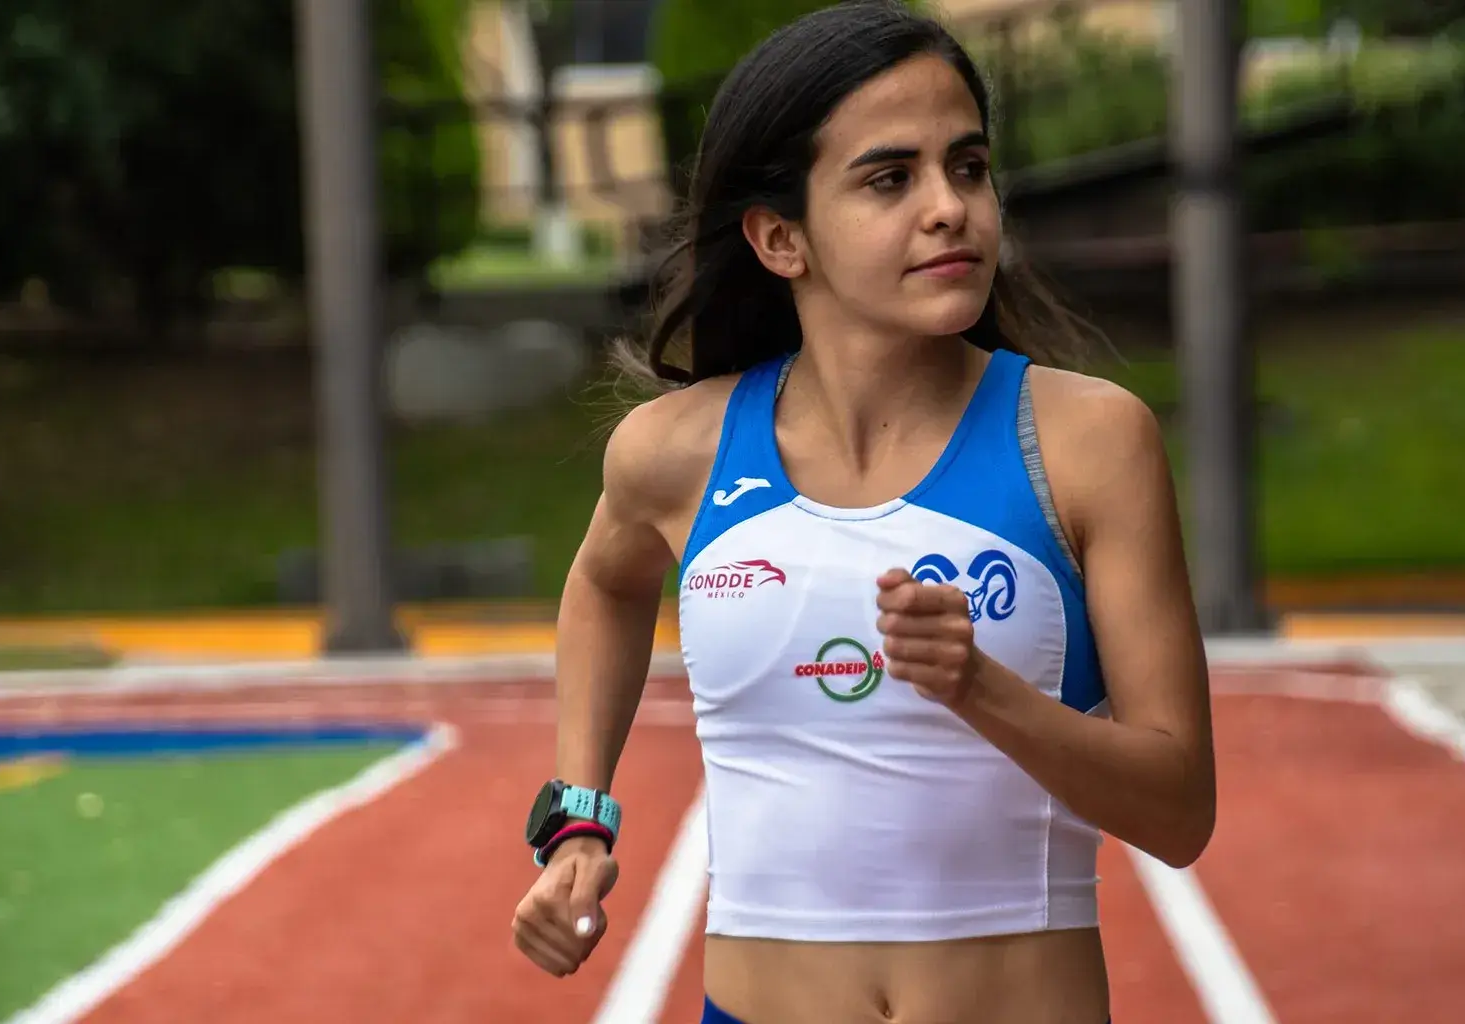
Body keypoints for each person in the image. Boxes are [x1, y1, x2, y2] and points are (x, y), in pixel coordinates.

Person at [511, 3, 1216, 1021]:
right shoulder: (673, 453)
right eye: (892, 178)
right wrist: (578, 819)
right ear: (780, 237)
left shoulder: (1089, 442)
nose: (950, 208)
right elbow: (603, 584)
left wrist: (980, 688)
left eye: (968, 167)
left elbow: (1180, 810)